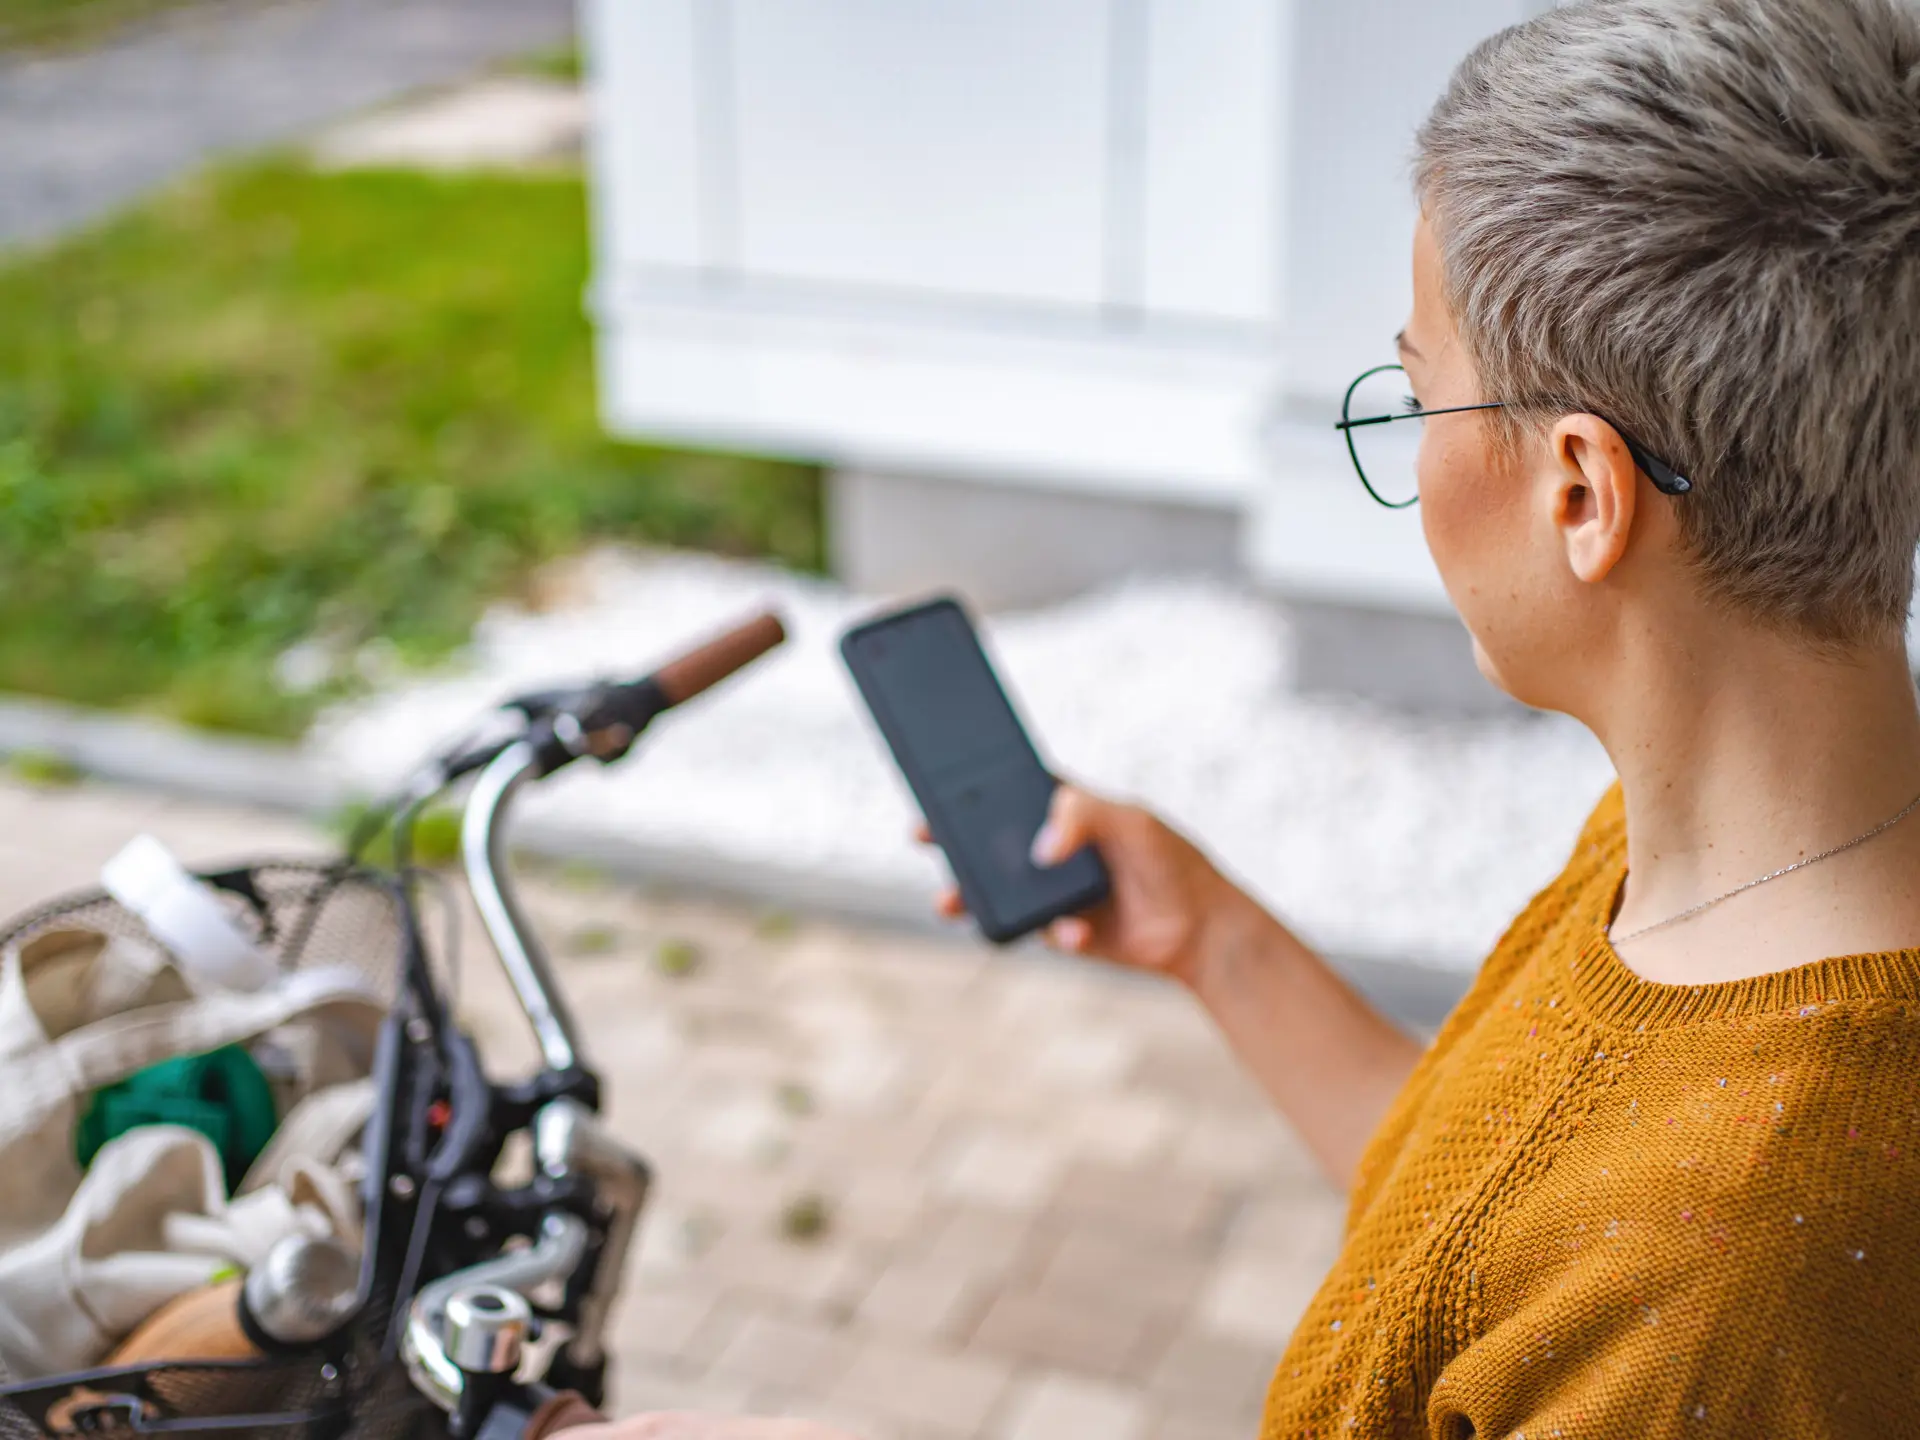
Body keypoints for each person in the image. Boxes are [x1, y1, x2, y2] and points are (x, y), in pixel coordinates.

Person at [584, 0, 1920, 1434]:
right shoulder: (1747, 849)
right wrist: (1215, 939)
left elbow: (1615, 1244)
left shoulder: (1727, 1274)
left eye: (1418, 399)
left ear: (1580, 494)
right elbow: (1486, 1240)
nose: (1409, 456)